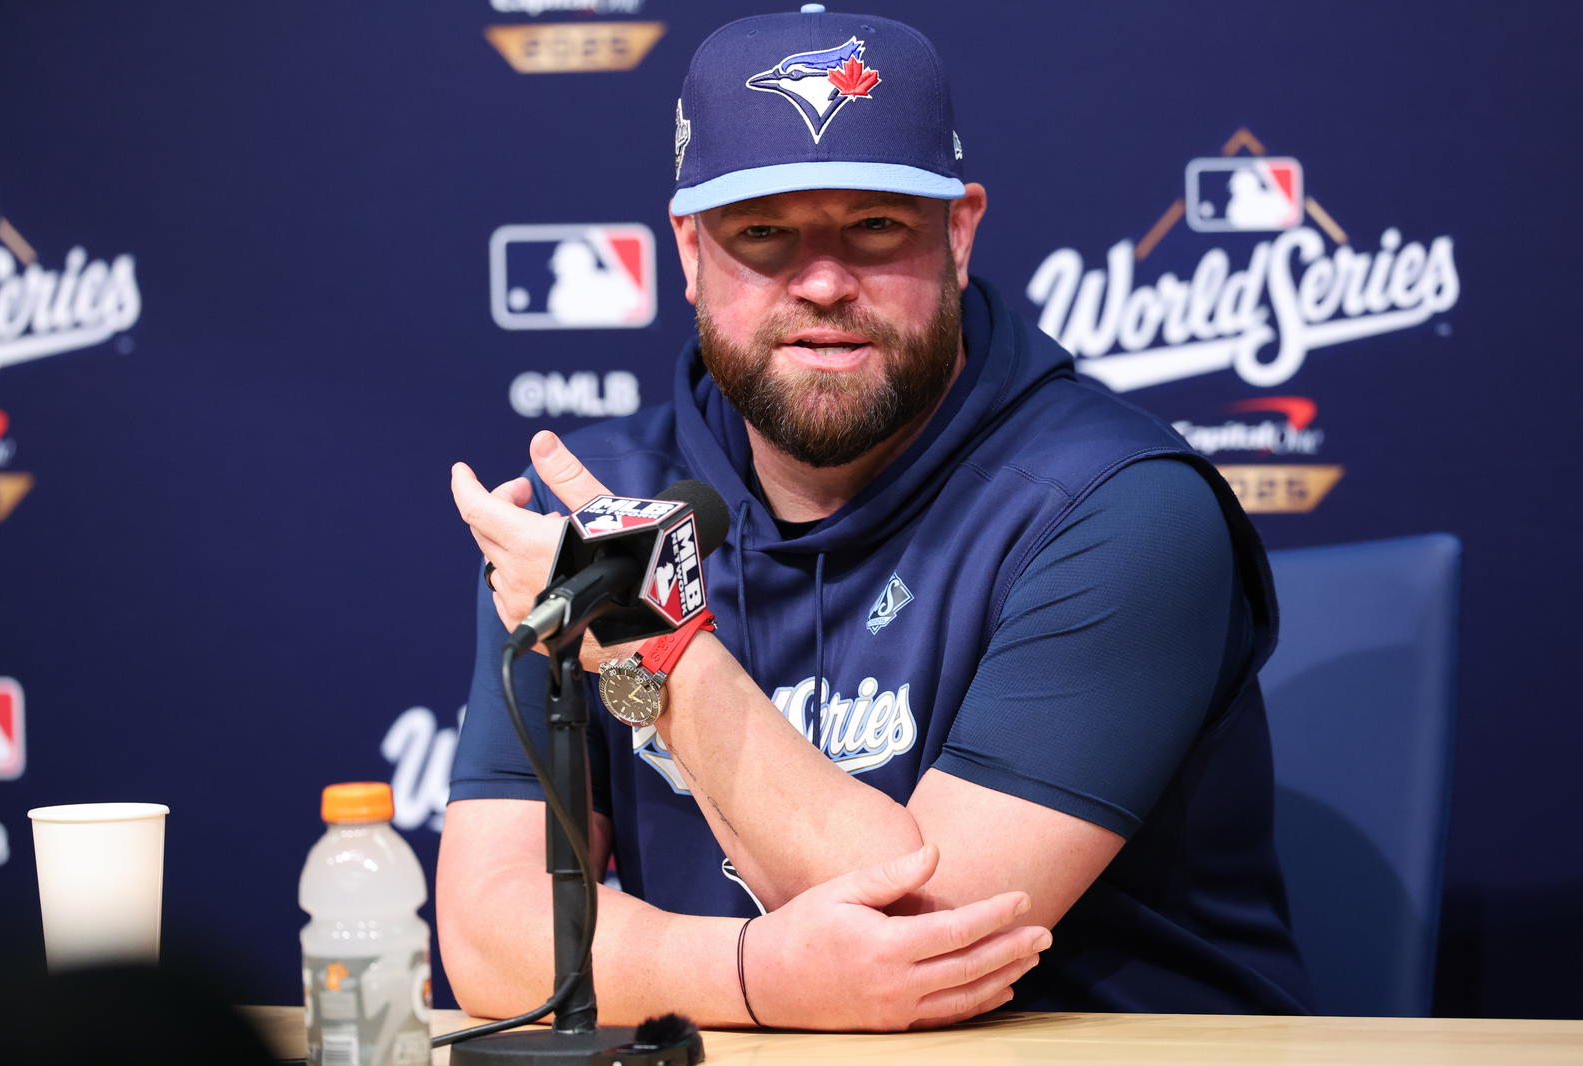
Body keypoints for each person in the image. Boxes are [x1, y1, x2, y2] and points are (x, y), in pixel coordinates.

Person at [443, 6, 1311, 1031]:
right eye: (762, 232)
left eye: (875, 226)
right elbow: (491, 933)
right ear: (687, 250)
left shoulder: (1116, 503)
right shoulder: (595, 498)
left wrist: (659, 647)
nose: (821, 280)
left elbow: (932, 936)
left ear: (959, 230)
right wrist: (752, 974)